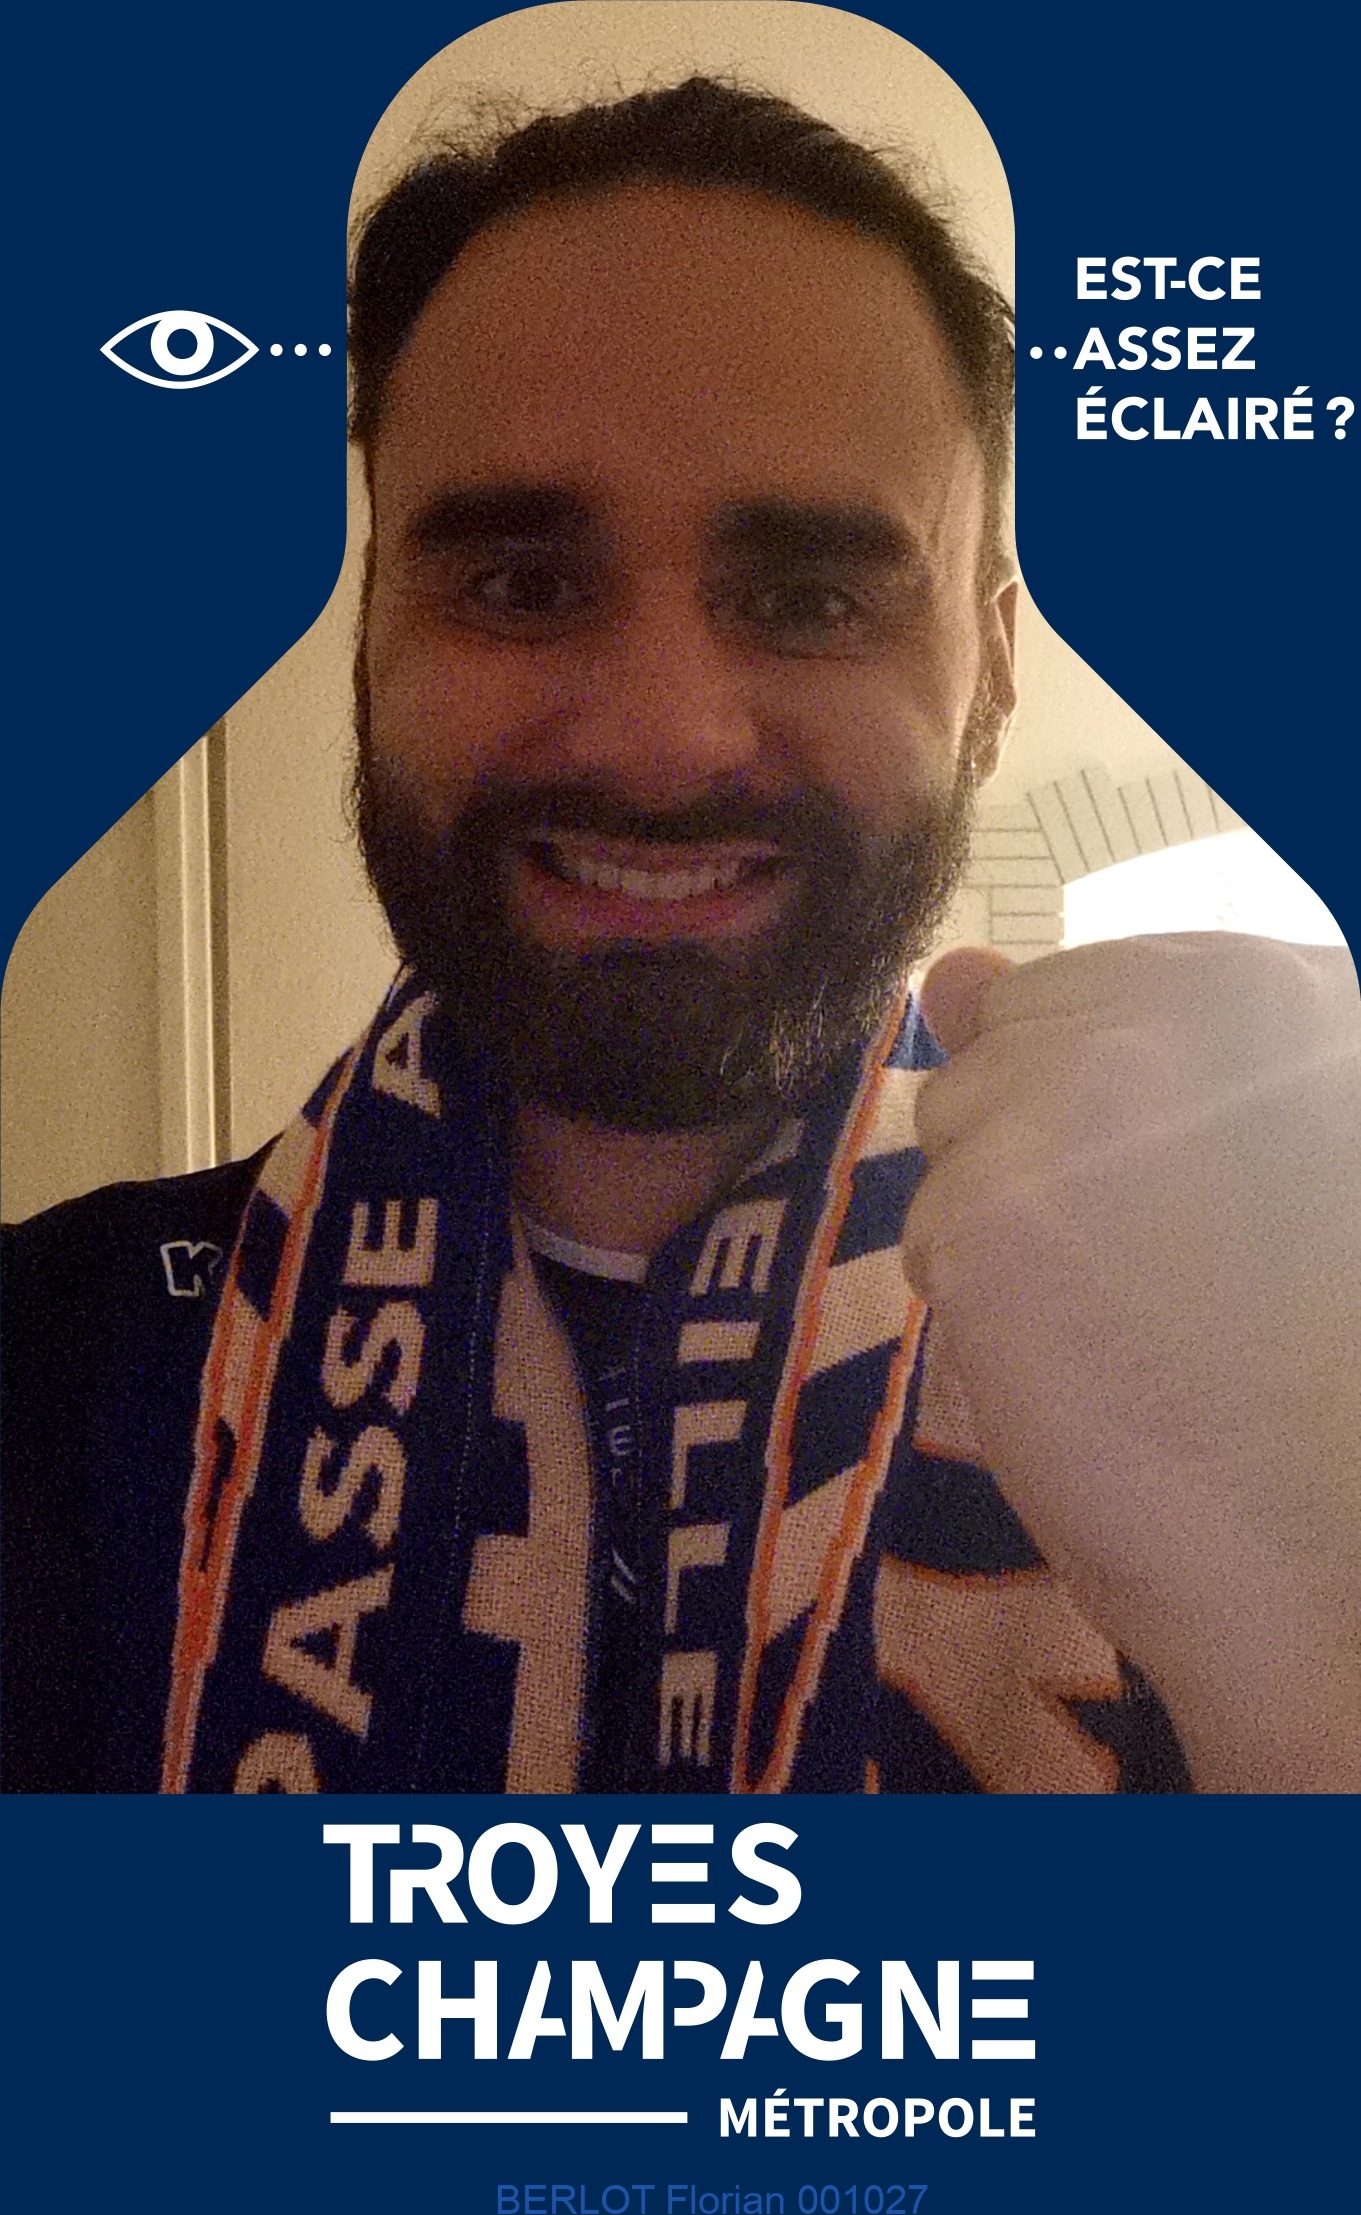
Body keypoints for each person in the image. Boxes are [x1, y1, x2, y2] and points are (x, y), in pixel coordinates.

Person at [4, 78, 1357, 1796]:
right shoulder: (42, 1372)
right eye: (520, 584)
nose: (662, 735)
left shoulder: (1299, 1357)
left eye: (809, 598)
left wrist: (1308, 1618)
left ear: (992, 668)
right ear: (370, 643)